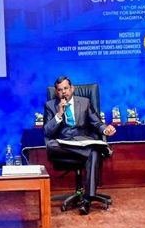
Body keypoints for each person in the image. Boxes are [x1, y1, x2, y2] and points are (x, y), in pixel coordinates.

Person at [43, 76, 117, 215]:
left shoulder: (85, 102)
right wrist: (59, 114)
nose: (63, 92)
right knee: (52, 145)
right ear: (56, 92)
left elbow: (97, 123)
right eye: (60, 90)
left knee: (93, 152)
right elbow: (47, 132)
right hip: (63, 145)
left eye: (66, 88)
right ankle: (94, 151)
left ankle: (87, 200)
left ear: (72, 88)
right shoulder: (50, 105)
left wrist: (105, 130)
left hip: (83, 141)